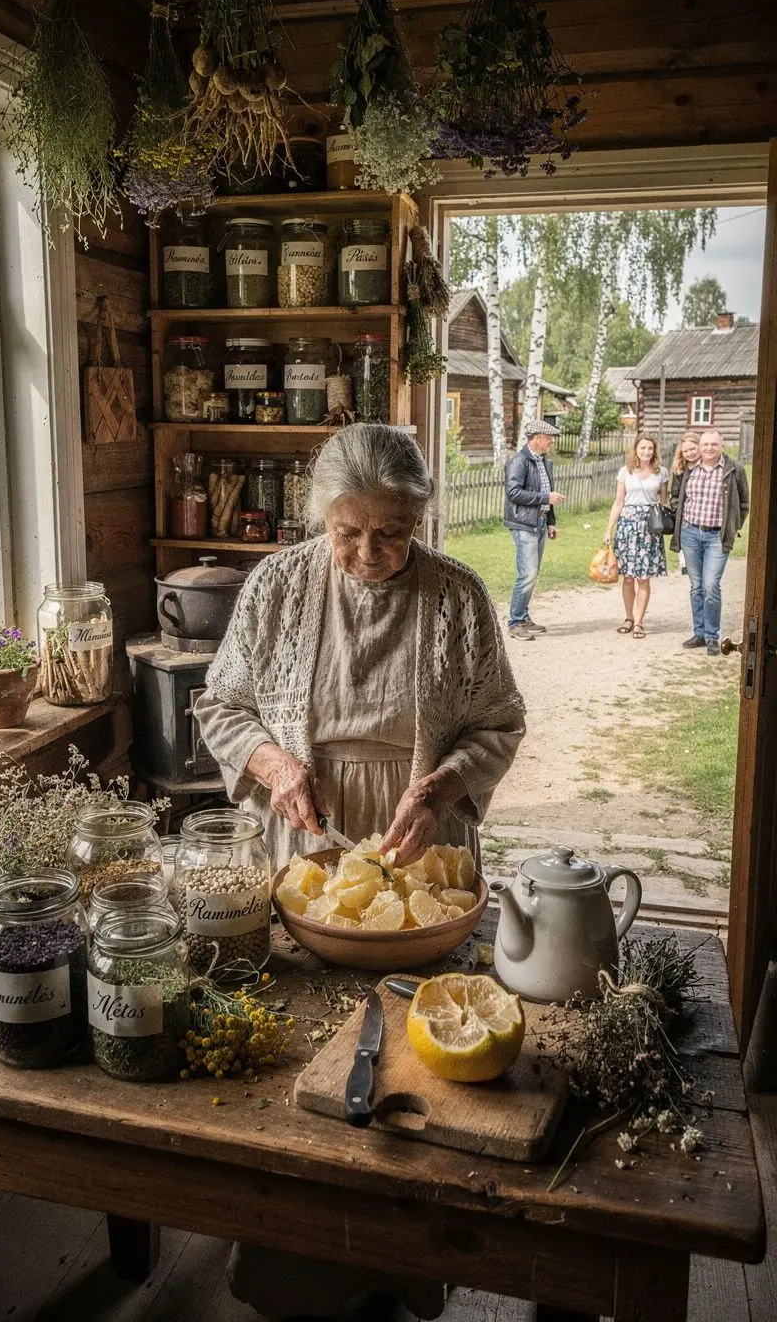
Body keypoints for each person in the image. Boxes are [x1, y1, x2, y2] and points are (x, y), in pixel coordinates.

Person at [195, 423, 526, 1321]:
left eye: (393, 531)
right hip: (312, 853)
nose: (371, 552)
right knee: (298, 1065)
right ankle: (289, 1275)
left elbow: (500, 721)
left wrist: (449, 781)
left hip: (421, 852)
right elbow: (221, 704)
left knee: (411, 1074)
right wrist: (273, 764)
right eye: (350, 531)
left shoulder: (457, 595)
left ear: (420, 518)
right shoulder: (275, 585)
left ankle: (405, 1271)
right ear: (321, 518)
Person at [671, 426, 749, 657]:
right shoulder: (688, 470)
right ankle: (700, 634)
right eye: (705, 444)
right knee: (696, 586)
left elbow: (744, 503)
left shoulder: (734, 470)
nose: (709, 448)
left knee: (710, 586)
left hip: (717, 536)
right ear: (700, 447)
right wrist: (680, 516)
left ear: (722, 446)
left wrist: (734, 527)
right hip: (690, 533)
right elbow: (677, 497)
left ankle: (713, 636)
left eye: (714, 444)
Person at [602, 433, 669, 640]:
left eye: (650, 448)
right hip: (628, 526)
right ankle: (628, 617)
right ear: (636, 450)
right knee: (628, 578)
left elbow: (664, 501)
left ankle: (639, 622)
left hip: (649, 528)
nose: (646, 452)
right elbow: (618, 502)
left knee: (644, 578)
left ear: (654, 451)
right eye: (643, 448)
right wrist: (608, 529)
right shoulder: (625, 471)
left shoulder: (661, 472)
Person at [504, 419, 565, 641]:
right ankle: (515, 622)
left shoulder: (545, 462)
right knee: (527, 574)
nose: (551, 442)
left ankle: (523, 616)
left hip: (539, 523)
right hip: (524, 524)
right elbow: (514, 493)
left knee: (532, 573)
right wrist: (545, 498)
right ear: (537, 438)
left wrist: (551, 521)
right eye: (548, 438)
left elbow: (548, 492)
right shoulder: (519, 462)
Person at [669, 430, 701, 574]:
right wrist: (680, 510)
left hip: (706, 520)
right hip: (687, 520)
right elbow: (674, 495)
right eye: (686, 451)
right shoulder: (680, 470)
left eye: (693, 449)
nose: (690, 453)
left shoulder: (708, 467)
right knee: (692, 570)